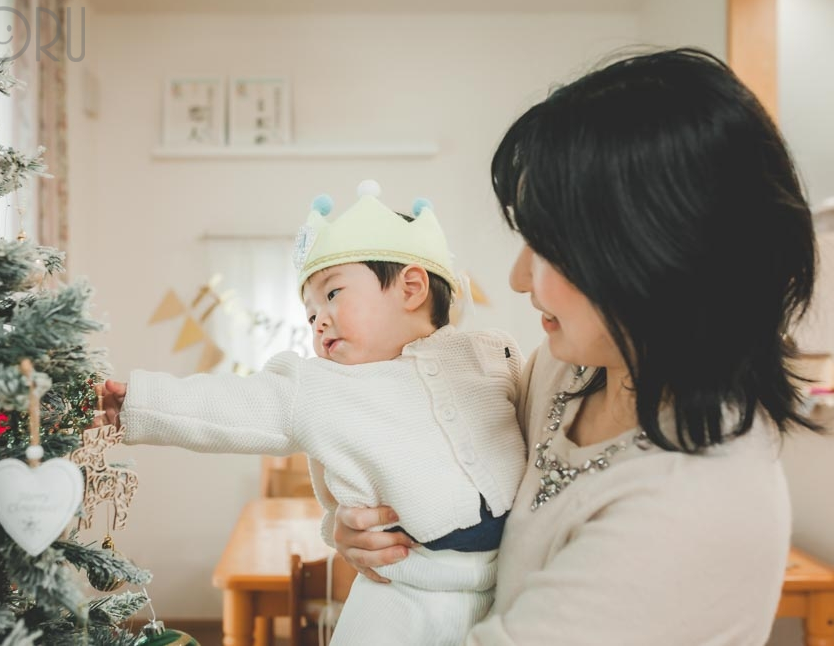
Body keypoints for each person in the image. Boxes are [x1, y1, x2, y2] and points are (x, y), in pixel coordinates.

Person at [329, 48, 820, 645]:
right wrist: (379, 528)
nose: (517, 278)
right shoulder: (568, 369)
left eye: (546, 246)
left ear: (654, 249)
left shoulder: (694, 503)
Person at [102, 181, 527, 645]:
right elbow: (233, 404)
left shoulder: (489, 354)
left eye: (333, 294)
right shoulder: (319, 385)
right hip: (402, 593)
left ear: (411, 288)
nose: (318, 320)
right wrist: (137, 401)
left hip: (504, 590)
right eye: (309, 315)